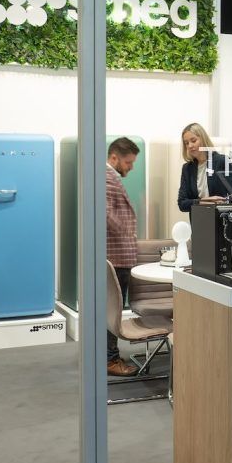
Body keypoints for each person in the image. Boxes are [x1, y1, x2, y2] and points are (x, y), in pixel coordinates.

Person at [105, 137, 142, 376]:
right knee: (113, 312)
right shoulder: (107, 178)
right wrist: (127, 233)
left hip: (116, 255)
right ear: (114, 157)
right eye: (128, 162)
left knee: (111, 310)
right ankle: (110, 360)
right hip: (116, 256)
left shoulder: (109, 177)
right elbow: (106, 214)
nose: (131, 167)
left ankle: (107, 356)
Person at [176, 122, 232, 212]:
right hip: (199, 218)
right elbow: (182, 203)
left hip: (222, 217)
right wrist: (201, 202)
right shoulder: (187, 169)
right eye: (186, 143)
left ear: (203, 139)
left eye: (193, 141)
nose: (190, 146)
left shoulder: (222, 161)